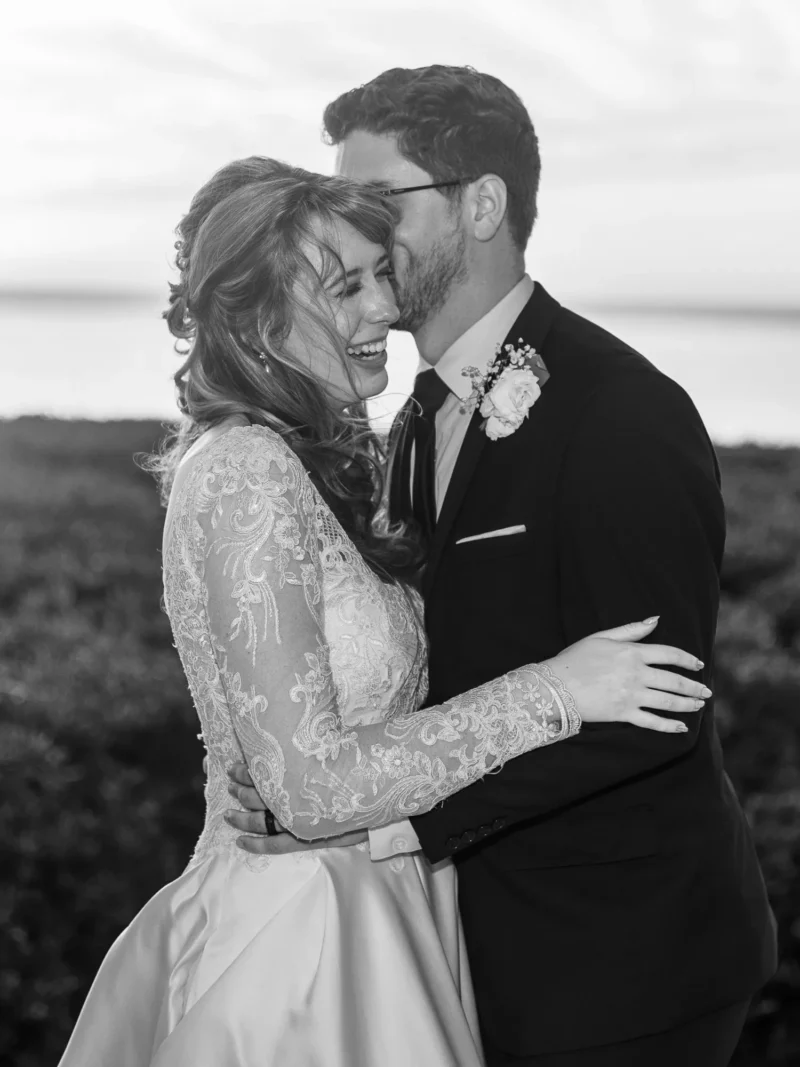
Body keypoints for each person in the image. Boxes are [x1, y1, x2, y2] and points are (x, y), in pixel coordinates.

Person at [57, 157, 709, 1067]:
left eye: (379, 276)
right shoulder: (245, 471)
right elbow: (310, 789)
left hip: (383, 904)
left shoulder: (324, 458)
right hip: (297, 948)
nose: (384, 309)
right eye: (346, 289)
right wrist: (557, 690)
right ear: (257, 320)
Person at [227, 66, 777, 1067]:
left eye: (376, 202)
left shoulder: (619, 410)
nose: (349, 232)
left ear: (480, 205)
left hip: (618, 963)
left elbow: (654, 706)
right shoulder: (408, 419)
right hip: (460, 951)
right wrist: (305, 772)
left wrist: (371, 821)